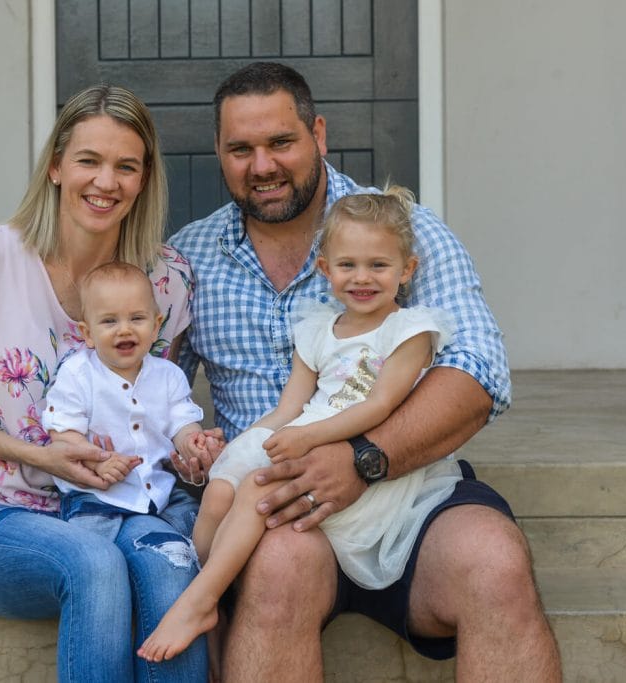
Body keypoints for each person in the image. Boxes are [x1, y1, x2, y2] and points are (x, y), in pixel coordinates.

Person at [168, 62, 562, 680]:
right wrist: (187, 441)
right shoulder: (188, 255)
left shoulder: (402, 233)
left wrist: (363, 459)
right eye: (240, 149)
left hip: (406, 486)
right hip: (277, 510)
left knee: (494, 560)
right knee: (278, 569)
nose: (262, 166)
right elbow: (145, 380)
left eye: (281, 142)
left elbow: (479, 374)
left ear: (318, 134)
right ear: (218, 152)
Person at [0, 84, 216, 682]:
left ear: (143, 179)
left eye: (125, 166)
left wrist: (193, 452)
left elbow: (156, 417)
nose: (106, 181)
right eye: (88, 160)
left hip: (120, 510)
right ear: (55, 166)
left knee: (171, 560)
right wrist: (42, 457)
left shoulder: (168, 281)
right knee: (95, 564)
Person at [140, 186, 464, 663]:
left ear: (406, 270)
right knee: (222, 489)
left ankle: (197, 602)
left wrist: (307, 439)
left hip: (356, 448)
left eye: (379, 265)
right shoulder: (316, 328)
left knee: (257, 488)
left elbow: (379, 406)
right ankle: (214, 599)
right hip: (307, 430)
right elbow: (289, 408)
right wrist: (241, 445)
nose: (363, 278)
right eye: (348, 265)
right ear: (325, 269)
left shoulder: (409, 331)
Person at [42, 261, 221, 540]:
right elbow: (63, 435)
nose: (124, 329)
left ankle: (211, 576)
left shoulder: (168, 375)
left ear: (155, 326)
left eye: (137, 318)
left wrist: (193, 444)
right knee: (93, 548)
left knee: (198, 529)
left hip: (160, 492)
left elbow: (182, 422)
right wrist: (96, 463)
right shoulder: (78, 375)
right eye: (109, 321)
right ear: (87, 333)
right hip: (96, 495)